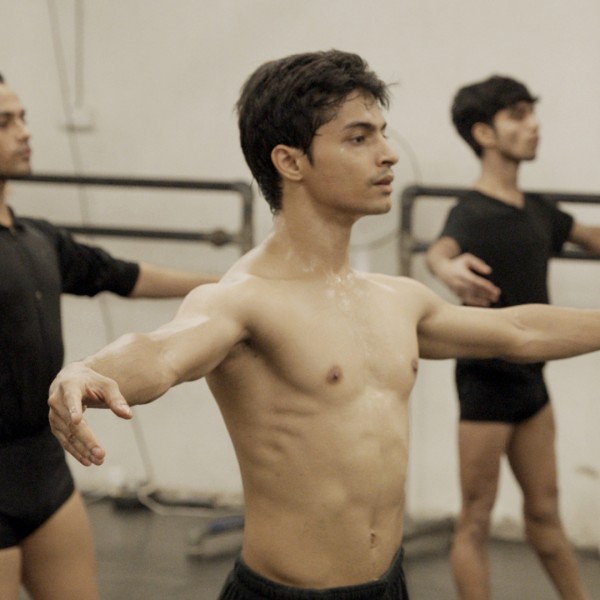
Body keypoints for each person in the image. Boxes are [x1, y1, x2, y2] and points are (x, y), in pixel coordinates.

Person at [47, 51, 600, 600]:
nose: (388, 155)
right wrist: (89, 370)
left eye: (383, 134)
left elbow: (519, 331)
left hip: (389, 586)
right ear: (290, 162)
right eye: (359, 138)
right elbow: (162, 352)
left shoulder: (398, 299)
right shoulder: (243, 300)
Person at [0, 72, 220, 600]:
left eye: (23, 117)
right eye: (5, 122)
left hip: (45, 472)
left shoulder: (39, 239)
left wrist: (229, 286)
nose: (25, 132)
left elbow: (125, 276)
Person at [425, 75, 600, 600]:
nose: (534, 125)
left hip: (532, 384)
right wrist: (447, 268)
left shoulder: (538, 210)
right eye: (518, 115)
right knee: (476, 519)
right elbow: (440, 251)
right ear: (484, 133)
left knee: (545, 513)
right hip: (486, 383)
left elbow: (591, 237)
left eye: (532, 113)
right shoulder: (470, 212)